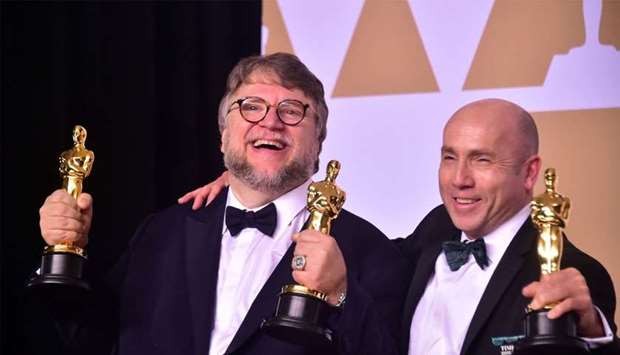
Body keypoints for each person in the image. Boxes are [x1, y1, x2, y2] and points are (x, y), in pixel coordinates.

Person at [180, 98, 619, 354]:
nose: (459, 179)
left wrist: (594, 331)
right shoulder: (433, 231)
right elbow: (363, 252)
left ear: (529, 173)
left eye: (481, 160)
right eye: (450, 157)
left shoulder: (574, 275)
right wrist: (253, 185)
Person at [37, 53, 408, 355]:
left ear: (320, 140)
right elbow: (91, 338)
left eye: (292, 110)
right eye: (251, 107)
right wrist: (70, 255)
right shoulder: (161, 232)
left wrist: (340, 295)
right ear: (223, 134)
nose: (270, 122)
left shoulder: (368, 251)